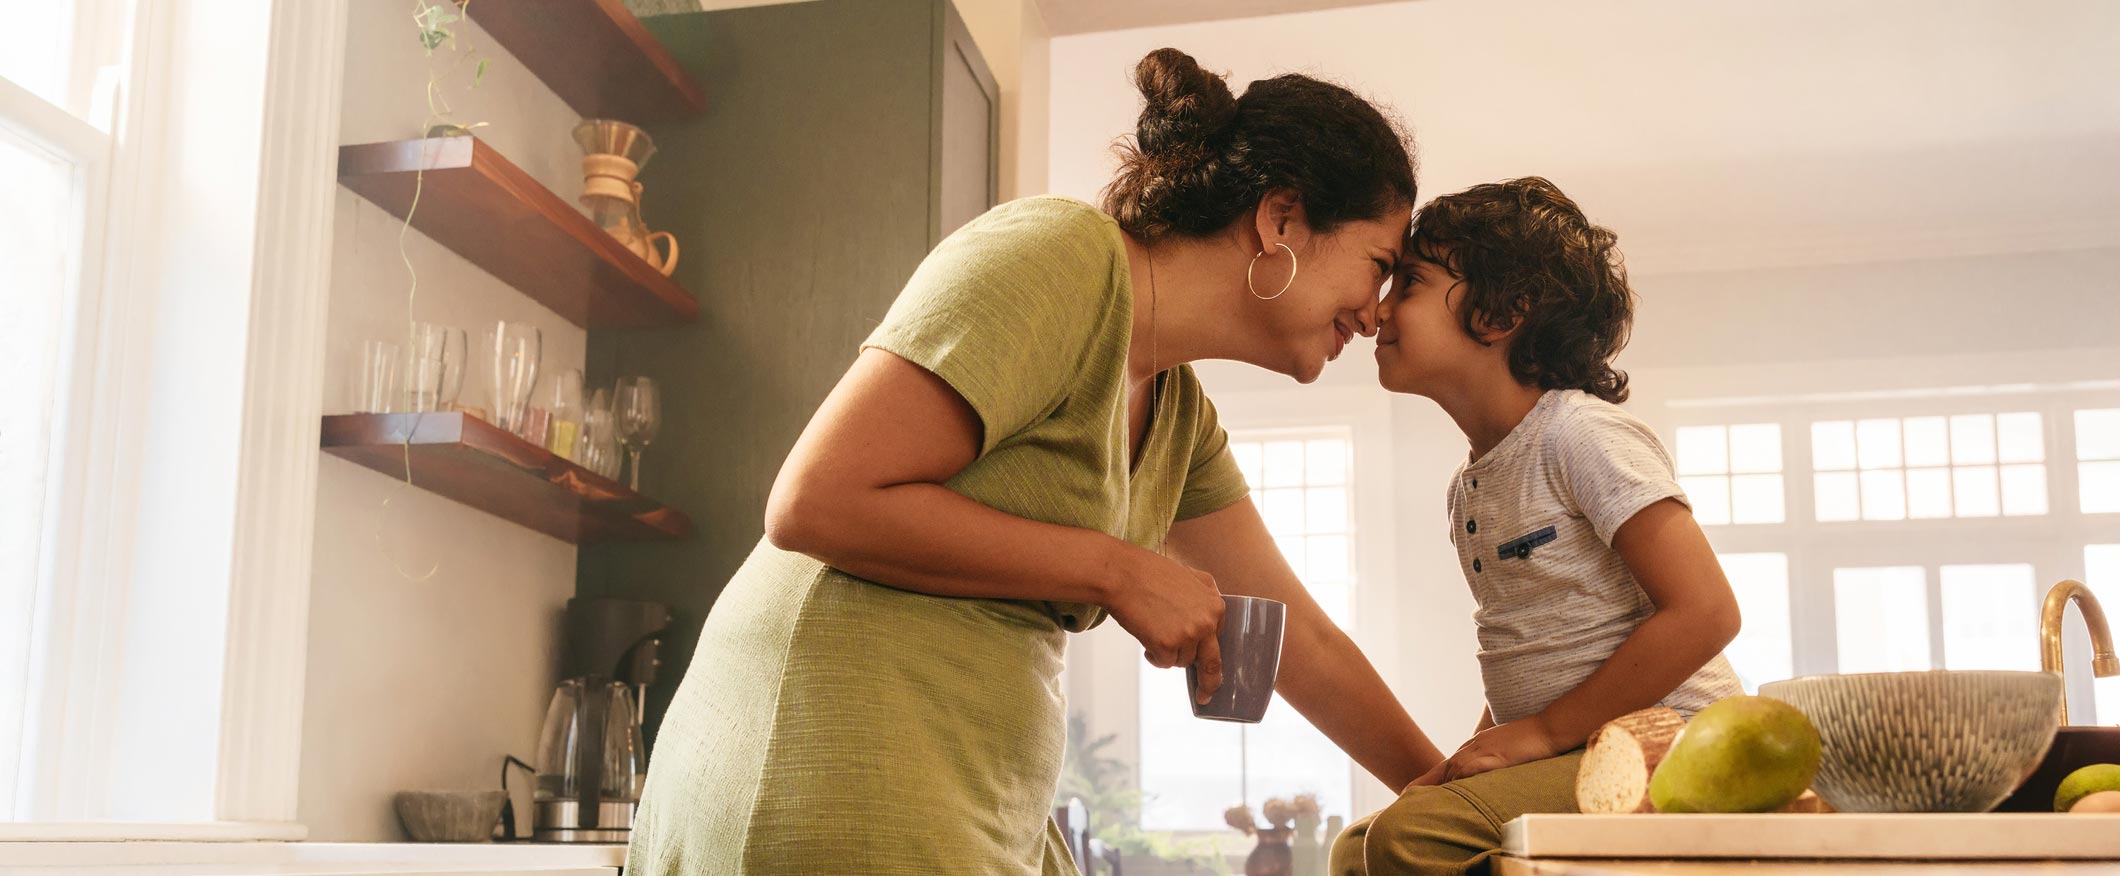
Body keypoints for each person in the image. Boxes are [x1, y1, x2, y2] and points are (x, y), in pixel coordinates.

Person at [627, 48, 1445, 875]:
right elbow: (815, 502)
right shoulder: (1061, 256)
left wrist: (1454, 801)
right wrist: (1117, 571)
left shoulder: (1180, 416)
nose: (1377, 317)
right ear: (1280, 220)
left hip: (974, 786)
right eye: (1379, 266)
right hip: (826, 757)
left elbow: (1300, 638)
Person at [1335, 177, 1744, 876]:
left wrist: (1544, 733)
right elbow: (1532, 647)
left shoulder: (1580, 435)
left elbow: (1707, 612)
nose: (1375, 313)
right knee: (1357, 848)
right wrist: (1485, 748)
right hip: (1576, 746)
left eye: (1409, 283)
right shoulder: (1472, 484)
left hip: (1674, 743)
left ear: (1500, 313)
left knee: (1411, 840)